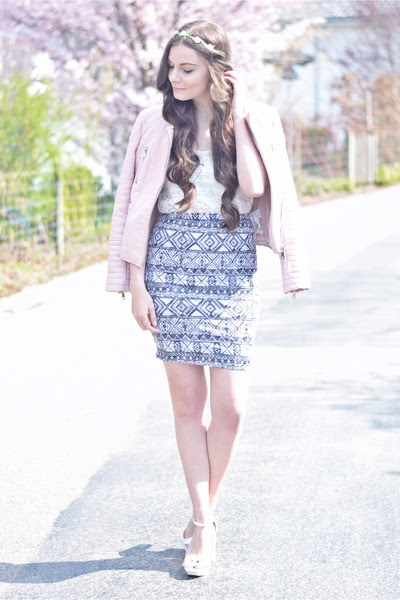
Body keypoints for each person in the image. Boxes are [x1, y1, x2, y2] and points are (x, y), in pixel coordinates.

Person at [106, 20, 310, 577]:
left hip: (231, 268)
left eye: (187, 68)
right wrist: (137, 283)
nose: (175, 77)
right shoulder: (153, 122)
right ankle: (204, 522)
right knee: (186, 405)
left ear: (217, 71)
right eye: (171, 67)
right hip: (169, 264)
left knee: (232, 408)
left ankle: (204, 512)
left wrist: (237, 111)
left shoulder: (255, 117)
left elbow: (255, 187)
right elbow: (131, 203)